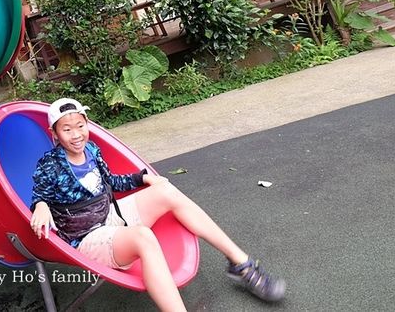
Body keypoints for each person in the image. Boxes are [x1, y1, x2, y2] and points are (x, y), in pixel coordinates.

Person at [29, 98, 285, 311]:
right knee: (143, 236)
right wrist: (41, 205)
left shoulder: (92, 150)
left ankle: (240, 264)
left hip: (109, 217)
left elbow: (110, 182)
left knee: (165, 190)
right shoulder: (50, 165)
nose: (76, 135)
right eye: (67, 129)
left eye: (80, 126)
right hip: (86, 239)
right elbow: (38, 197)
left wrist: (142, 177)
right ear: (54, 134)